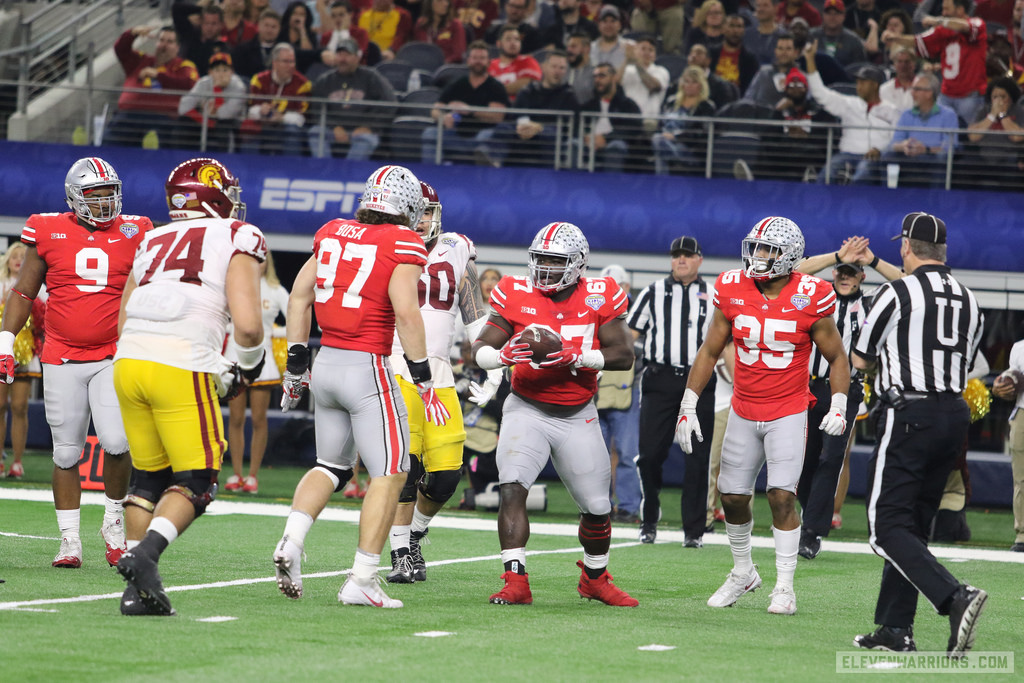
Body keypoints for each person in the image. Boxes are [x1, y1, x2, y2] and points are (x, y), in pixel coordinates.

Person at [272, 165, 436, 609]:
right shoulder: (404, 241)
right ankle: (363, 577)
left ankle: (292, 539)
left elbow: (299, 297)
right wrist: (423, 376)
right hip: (368, 367)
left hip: (326, 363)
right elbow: (406, 311)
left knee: (329, 465)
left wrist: (296, 363)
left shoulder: (333, 231)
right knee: (391, 472)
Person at [111, 157, 265, 616]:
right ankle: (145, 555)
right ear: (213, 193)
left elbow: (124, 313)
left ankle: (136, 592)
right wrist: (246, 369)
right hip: (181, 361)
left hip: (129, 360)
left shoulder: (152, 237)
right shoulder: (238, 234)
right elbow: (251, 328)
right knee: (197, 481)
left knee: (148, 479)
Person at [675, 216, 849, 615]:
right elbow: (709, 350)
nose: (759, 256)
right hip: (743, 407)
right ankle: (743, 573)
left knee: (781, 495)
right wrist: (688, 404)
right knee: (732, 497)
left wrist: (838, 402)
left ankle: (785, 586)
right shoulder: (732, 286)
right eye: (756, 248)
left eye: (769, 250)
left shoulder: (812, 294)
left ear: (789, 257)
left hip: (788, 408)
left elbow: (837, 356)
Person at [472, 221, 638, 607]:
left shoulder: (600, 295)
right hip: (525, 407)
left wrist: (579, 357)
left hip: (577, 413)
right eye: (540, 259)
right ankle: (516, 581)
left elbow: (624, 354)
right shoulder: (515, 291)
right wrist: (499, 357)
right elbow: (480, 346)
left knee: (597, 509)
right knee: (512, 486)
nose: (545, 268)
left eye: (555, 260)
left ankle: (594, 580)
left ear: (578, 264)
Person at [0, 158, 152, 568]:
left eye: (109, 192)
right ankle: (69, 540)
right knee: (66, 453)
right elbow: (24, 292)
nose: (105, 202)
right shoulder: (47, 228)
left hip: (113, 354)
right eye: (95, 194)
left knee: (118, 443)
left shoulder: (137, 229)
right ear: (73, 196)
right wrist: (5, 339)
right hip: (62, 355)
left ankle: (114, 520)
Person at [850, 212, 987, 657]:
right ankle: (895, 627)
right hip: (953, 414)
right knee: (912, 525)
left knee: (885, 527)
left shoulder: (895, 292)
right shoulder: (969, 299)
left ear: (906, 247)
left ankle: (954, 596)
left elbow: (861, 358)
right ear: (942, 251)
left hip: (910, 412)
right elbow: (965, 365)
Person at [385, 181, 493, 584]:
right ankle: (399, 553)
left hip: (441, 372)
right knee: (406, 466)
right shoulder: (386, 244)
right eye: (418, 210)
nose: (424, 219)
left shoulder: (456, 248)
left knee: (447, 474)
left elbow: (474, 315)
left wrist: (494, 366)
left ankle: (414, 534)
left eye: (429, 211)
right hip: (396, 365)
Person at [793, 237, 901, 559]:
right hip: (808, 387)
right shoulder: (816, 297)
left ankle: (811, 532)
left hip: (846, 389)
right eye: (842, 270)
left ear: (862, 276)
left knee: (831, 458)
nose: (845, 276)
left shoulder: (872, 303)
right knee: (804, 462)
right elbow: (795, 270)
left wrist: (873, 259)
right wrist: (836, 255)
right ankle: (815, 515)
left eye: (852, 272)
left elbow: (909, 283)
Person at [627, 236, 717, 546]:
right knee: (650, 455)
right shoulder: (653, 292)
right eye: (676, 255)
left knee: (697, 458)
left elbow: (725, 341)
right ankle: (649, 515)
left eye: (687, 255)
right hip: (660, 379)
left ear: (699, 260)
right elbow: (630, 335)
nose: (681, 260)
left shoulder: (713, 294)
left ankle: (693, 531)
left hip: (701, 381)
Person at [223, 250, 290, 494]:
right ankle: (237, 473)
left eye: (261, 260)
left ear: (267, 263)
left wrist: (281, 334)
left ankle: (253, 476)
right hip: (234, 357)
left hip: (265, 361)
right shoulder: (231, 284)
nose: (257, 264)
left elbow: (296, 313)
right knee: (236, 418)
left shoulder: (275, 289)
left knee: (259, 419)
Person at [805, 42, 901, 184]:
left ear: (874, 85)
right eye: (857, 82)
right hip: (846, 154)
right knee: (827, 174)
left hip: (875, 157)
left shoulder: (892, 110)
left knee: (862, 174)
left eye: (863, 82)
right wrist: (810, 60)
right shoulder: (849, 103)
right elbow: (820, 94)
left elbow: (895, 140)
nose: (858, 86)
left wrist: (881, 151)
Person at [883, 0, 988, 123]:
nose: (943, 13)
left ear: (960, 10)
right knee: (938, 131)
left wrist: (936, 20)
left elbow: (963, 26)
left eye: (946, 9)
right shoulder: (942, 31)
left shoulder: (976, 23)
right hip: (946, 94)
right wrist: (896, 38)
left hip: (970, 95)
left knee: (968, 136)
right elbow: (918, 41)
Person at [479, 50, 579, 168]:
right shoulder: (528, 90)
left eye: (562, 68)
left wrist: (539, 128)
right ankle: (492, 163)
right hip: (524, 131)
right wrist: (525, 125)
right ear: (544, 67)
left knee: (553, 134)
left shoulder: (569, 95)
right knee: (504, 128)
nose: (557, 71)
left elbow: (569, 128)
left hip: (549, 136)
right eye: (554, 66)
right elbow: (517, 115)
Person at [596, 264, 640, 523]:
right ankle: (598, 506)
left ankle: (628, 506)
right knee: (595, 454)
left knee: (626, 452)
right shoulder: (593, 311)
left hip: (626, 391)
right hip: (596, 389)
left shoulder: (635, 314)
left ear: (625, 288)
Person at [107, 26, 199, 148]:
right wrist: (132, 33)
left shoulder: (184, 66)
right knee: (110, 144)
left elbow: (190, 84)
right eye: (161, 40)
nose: (164, 45)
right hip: (128, 116)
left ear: (178, 48)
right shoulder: (140, 60)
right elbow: (120, 50)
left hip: (163, 118)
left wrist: (159, 75)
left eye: (169, 42)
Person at [421, 40, 510, 164]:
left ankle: (485, 177)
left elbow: (497, 117)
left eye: (482, 58)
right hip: (456, 137)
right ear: (468, 61)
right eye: (474, 58)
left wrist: (469, 110)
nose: (478, 61)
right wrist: (444, 117)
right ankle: (430, 176)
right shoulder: (457, 84)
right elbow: (435, 110)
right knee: (430, 133)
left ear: (489, 62)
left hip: (482, 138)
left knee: (488, 137)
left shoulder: (496, 87)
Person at [307, 38, 398, 159]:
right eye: (340, 54)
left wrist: (369, 127)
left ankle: (350, 174)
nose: (343, 59)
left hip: (363, 132)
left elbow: (391, 103)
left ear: (357, 57)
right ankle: (325, 172)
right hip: (333, 130)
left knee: (365, 140)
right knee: (315, 132)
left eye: (347, 55)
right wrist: (334, 127)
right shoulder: (325, 80)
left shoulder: (371, 77)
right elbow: (317, 109)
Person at [0, 242, 44, 480]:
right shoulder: (0, 284)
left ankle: (17, 462)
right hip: (1, 353)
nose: (18, 260)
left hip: (26, 358)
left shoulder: (40, 287)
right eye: (14, 256)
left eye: (22, 256)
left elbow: (45, 318)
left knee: (19, 408)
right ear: (7, 259)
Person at [877, 72, 959, 188]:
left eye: (916, 89)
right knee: (887, 154)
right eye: (912, 89)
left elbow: (950, 147)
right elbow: (894, 143)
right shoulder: (906, 114)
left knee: (942, 158)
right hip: (909, 156)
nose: (912, 93)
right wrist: (903, 145)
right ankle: (890, 197)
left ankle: (937, 201)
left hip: (932, 157)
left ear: (929, 93)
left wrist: (926, 149)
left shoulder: (948, 115)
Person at [767, 67, 837, 181]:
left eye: (799, 85)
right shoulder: (779, 111)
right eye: (791, 86)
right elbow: (769, 136)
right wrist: (777, 111)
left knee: (810, 151)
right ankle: (755, 177)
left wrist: (806, 135)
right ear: (786, 89)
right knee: (775, 149)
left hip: (808, 150)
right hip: (784, 152)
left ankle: (811, 175)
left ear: (806, 88)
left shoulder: (817, 110)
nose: (795, 89)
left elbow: (827, 136)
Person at [243, 43, 311, 155]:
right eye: (286, 61)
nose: (291, 65)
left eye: (292, 61)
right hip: (263, 123)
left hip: (286, 127)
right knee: (250, 128)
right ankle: (247, 169)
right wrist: (261, 110)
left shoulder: (303, 84)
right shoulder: (259, 80)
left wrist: (281, 118)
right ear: (274, 63)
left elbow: (301, 118)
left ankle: (292, 170)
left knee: (292, 131)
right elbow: (250, 110)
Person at [177, 52, 249, 152]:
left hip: (230, 123)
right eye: (217, 70)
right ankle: (183, 159)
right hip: (206, 121)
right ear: (210, 72)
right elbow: (183, 107)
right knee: (184, 122)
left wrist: (217, 88)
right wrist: (206, 119)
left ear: (232, 72)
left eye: (225, 70)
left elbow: (226, 114)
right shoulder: (203, 83)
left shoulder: (239, 87)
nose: (221, 74)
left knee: (223, 126)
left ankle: (225, 161)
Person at [579, 62, 644, 171]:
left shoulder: (627, 104)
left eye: (602, 76)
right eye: (595, 76)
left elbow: (633, 129)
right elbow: (577, 124)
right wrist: (587, 137)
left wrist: (606, 138)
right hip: (590, 144)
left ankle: (613, 185)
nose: (597, 80)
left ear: (614, 78)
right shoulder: (589, 105)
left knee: (616, 146)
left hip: (614, 144)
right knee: (574, 144)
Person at [651, 66, 716, 175]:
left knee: (659, 145)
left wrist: (675, 137)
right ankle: (674, 163)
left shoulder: (706, 106)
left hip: (688, 148)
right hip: (664, 141)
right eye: (686, 81)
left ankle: (662, 183)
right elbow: (660, 124)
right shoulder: (670, 102)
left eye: (694, 82)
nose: (689, 85)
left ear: (701, 85)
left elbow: (701, 133)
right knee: (659, 142)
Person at [992, 335, 1024, 552]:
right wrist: (1003, 385)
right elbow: (1012, 376)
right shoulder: (1019, 348)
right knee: (1021, 477)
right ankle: (1022, 534)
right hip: (1023, 411)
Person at [964, 76, 1024, 190]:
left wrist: (1002, 115)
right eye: (995, 97)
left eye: (1003, 96)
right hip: (983, 156)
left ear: (1011, 97)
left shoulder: (1019, 111)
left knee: (1013, 178)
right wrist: (991, 116)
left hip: (1009, 159)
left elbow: (1016, 137)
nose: (998, 101)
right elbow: (973, 136)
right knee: (963, 169)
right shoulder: (983, 110)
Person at [617, 35, 671, 132]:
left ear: (655, 55)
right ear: (635, 51)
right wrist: (626, 59)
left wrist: (636, 62)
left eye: (651, 50)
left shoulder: (661, 71)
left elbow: (653, 86)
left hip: (649, 123)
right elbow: (614, 86)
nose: (647, 52)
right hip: (627, 120)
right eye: (643, 49)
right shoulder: (627, 70)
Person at [744, 32, 801, 107]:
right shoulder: (763, 72)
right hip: (761, 116)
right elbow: (748, 98)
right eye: (780, 48)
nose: (784, 53)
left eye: (788, 49)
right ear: (775, 51)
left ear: (796, 52)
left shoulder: (802, 77)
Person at [172, 2, 228, 77]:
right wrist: (202, 9)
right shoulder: (189, 34)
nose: (209, 28)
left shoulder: (222, 48)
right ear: (200, 22)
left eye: (214, 24)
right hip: (179, 78)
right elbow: (177, 8)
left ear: (221, 25)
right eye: (206, 23)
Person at [710, 14, 761, 96]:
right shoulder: (711, 54)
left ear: (744, 30)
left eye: (739, 26)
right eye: (731, 26)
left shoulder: (750, 60)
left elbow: (751, 88)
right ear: (723, 29)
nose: (735, 30)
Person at [489, 24, 543, 98]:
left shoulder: (528, 61)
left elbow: (524, 85)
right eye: (508, 39)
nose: (513, 43)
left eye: (517, 39)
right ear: (499, 44)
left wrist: (489, 91)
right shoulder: (490, 65)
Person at [809, 0, 867, 66]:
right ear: (823, 15)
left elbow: (859, 68)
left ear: (844, 16)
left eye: (837, 13)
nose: (832, 17)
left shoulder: (854, 41)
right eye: (828, 13)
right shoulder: (810, 36)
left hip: (844, 75)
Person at [233, 9, 283, 80]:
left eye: (273, 27)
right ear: (258, 26)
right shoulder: (242, 49)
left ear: (279, 29)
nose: (269, 30)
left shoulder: (285, 51)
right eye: (266, 25)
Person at [590, 5, 633, 70]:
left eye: (613, 21)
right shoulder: (590, 49)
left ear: (619, 25)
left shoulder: (630, 47)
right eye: (605, 21)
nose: (609, 25)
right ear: (599, 25)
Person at [878, 45, 917, 112]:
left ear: (914, 64)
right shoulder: (884, 89)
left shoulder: (924, 87)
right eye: (899, 61)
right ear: (894, 65)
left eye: (907, 62)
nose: (903, 65)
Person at [745, 0, 784, 65]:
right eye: (758, 6)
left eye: (765, 5)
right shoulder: (746, 35)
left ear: (776, 8)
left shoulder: (783, 36)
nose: (761, 9)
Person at [566, 31, 595, 103]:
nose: (569, 50)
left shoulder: (595, 72)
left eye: (573, 46)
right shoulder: (562, 70)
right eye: (568, 47)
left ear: (586, 49)